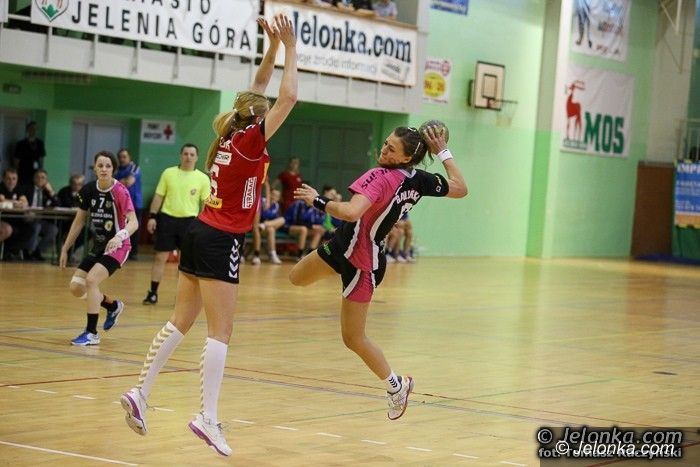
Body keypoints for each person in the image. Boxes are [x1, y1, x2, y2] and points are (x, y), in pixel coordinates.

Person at [120, 15, 298, 456]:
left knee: (180, 319)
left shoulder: (231, 132)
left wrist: (273, 46)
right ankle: (208, 417)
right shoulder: (251, 141)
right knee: (221, 331)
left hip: (200, 231)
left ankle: (141, 392)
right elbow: (288, 96)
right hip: (221, 238)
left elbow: (259, 89)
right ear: (259, 119)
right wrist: (292, 48)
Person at [289, 124, 467, 420]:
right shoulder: (419, 179)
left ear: (405, 158)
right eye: (385, 143)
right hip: (342, 245)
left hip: (363, 263)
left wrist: (317, 200)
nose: (383, 150)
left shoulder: (380, 176)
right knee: (296, 277)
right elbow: (459, 187)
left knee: (353, 338)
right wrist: (442, 152)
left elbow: (351, 212)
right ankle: (342, 280)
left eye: (391, 149)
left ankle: (397, 386)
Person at [59, 151, 139, 346]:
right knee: (76, 287)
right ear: (94, 168)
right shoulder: (88, 190)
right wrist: (65, 248)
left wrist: (119, 237)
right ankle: (112, 306)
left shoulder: (120, 191)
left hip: (119, 246)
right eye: (100, 165)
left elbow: (134, 222)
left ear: (113, 169)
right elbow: (79, 221)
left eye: (108, 166)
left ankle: (91, 333)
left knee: (91, 280)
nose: (104, 169)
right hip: (99, 245)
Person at [141, 144, 210, 305]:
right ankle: (152, 293)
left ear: (197, 158)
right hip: (168, 220)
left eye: (192, 154)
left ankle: (181, 297)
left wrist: (204, 224)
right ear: (181, 156)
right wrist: (152, 217)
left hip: (190, 222)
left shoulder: (202, 178)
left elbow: (205, 204)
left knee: (185, 262)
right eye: (185, 154)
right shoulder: (169, 173)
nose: (188, 157)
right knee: (160, 257)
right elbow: (158, 196)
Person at [25, 169, 59, 261]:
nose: (40, 179)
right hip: (27, 218)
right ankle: (27, 252)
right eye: (38, 177)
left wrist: (51, 191)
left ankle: (37, 251)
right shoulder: (27, 189)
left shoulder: (47, 192)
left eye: (43, 178)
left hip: (40, 220)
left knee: (53, 230)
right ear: (33, 179)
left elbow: (57, 204)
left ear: (46, 180)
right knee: (36, 226)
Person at [116, 149, 144, 260]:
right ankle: (121, 250)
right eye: (120, 157)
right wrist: (121, 181)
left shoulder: (134, 167)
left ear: (129, 157)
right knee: (121, 226)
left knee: (134, 227)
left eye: (124, 157)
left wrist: (118, 182)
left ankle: (133, 252)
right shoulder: (116, 169)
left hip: (135, 203)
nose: (122, 159)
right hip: (121, 203)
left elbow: (129, 182)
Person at [13, 121, 46, 185]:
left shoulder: (40, 143)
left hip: (35, 171)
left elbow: (41, 158)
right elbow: (16, 159)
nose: (33, 131)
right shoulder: (21, 144)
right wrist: (15, 172)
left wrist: (40, 170)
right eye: (31, 129)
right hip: (23, 170)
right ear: (28, 130)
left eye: (35, 129)